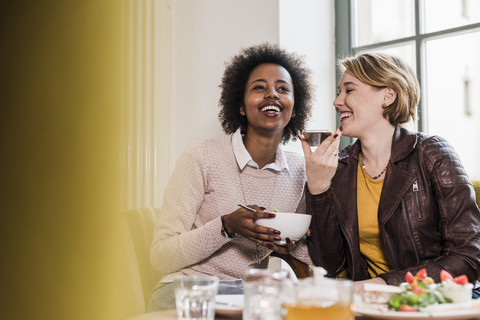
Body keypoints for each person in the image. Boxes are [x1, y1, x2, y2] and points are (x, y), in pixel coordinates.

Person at [149, 42, 314, 310]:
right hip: (190, 290)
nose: (272, 94)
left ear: (294, 108)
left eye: (283, 89)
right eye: (259, 87)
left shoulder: (301, 170)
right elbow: (159, 257)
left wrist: (288, 246)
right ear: (240, 104)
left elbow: (309, 257)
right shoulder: (201, 154)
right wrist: (226, 225)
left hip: (252, 298)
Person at [299, 52, 480, 291]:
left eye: (349, 90)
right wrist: (318, 188)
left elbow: (468, 258)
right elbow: (330, 264)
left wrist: (384, 284)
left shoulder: (432, 154)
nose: (337, 101)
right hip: (370, 306)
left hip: (432, 303)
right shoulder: (340, 167)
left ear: (388, 95)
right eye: (338, 91)